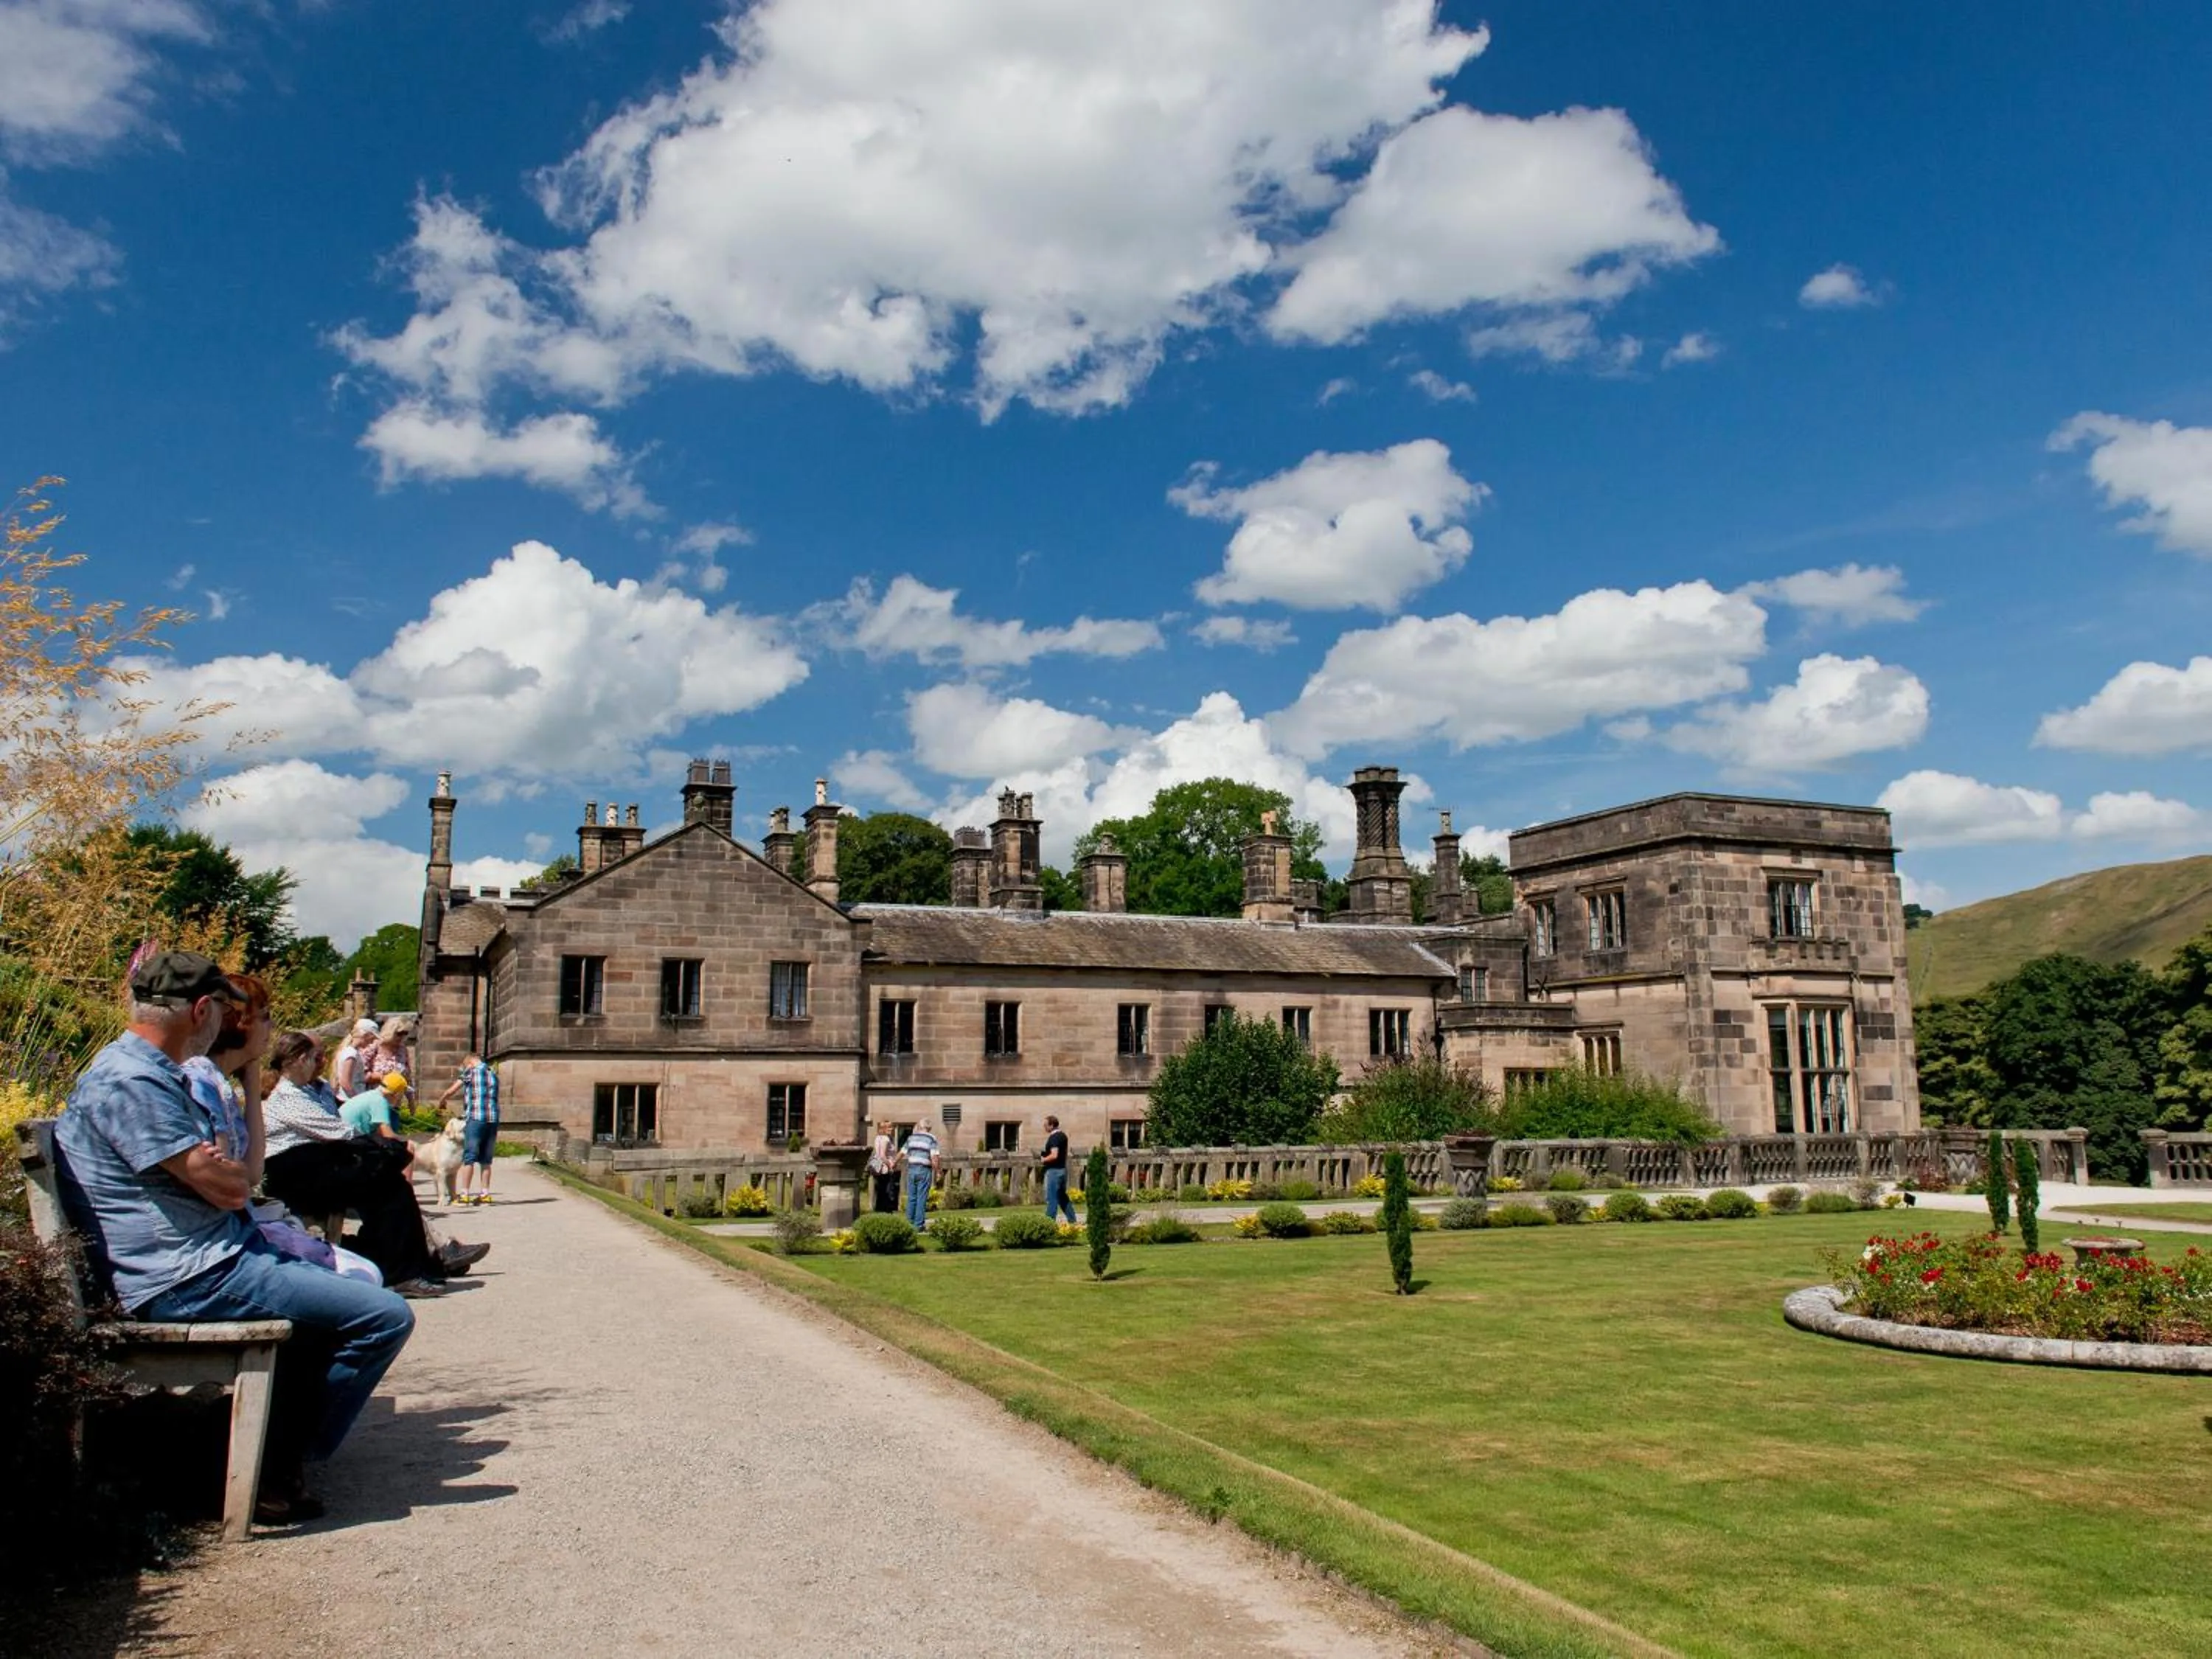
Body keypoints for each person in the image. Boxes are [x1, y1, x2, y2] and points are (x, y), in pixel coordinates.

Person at [54, 950, 415, 1524]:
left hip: (206, 1256)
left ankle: (267, 1461)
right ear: (201, 1010)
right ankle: (259, 1466)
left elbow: (236, 1178)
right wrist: (218, 1171)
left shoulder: (153, 1073)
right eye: (224, 1008)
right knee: (384, 1316)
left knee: (337, 1298)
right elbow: (230, 1188)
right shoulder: (134, 1081)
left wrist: (221, 1170)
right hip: (186, 1275)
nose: (231, 1021)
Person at [262, 1032, 485, 1293]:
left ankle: (410, 1266)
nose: (320, 1062)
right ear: (300, 1060)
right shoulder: (288, 1095)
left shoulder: (313, 1090)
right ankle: (405, 1269)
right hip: (295, 1174)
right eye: (315, 1057)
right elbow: (339, 1132)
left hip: (316, 1164)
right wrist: (389, 1149)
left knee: (391, 1184)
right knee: (384, 1177)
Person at [437, 1051, 500, 1205]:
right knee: (486, 1159)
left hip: (475, 1118)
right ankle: (485, 1194)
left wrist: (443, 1100)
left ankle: (464, 1194)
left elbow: (452, 1090)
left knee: (469, 1157)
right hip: (493, 1119)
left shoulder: (470, 1071)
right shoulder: (492, 1073)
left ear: (470, 1062)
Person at [341, 1071, 410, 1140]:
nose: (402, 1098)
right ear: (397, 1094)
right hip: (346, 1140)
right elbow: (387, 1135)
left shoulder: (373, 1095)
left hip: (341, 1135)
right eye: (402, 1094)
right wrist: (405, 1142)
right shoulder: (380, 1101)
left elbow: (380, 1132)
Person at [900, 1114, 940, 1230]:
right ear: (929, 1128)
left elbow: (902, 1152)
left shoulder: (911, 1138)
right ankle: (919, 1225)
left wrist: (894, 1163)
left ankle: (909, 1222)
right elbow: (934, 1157)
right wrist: (937, 1171)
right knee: (921, 1197)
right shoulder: (931, 1139)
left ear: (920, 1126)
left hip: (912, 1168)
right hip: (924, 1169)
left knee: (912, 1197)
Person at [1038, 1114, 1077, 1225]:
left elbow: (1054, 1155)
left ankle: (1049, 1224)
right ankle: (1073, 1221)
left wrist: (1044, 1159)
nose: (1044, 1127)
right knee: (1062, 1197)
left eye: (1046, 1125)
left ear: (1052, 1125)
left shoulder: (1054, 1138)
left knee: (1052, 1198)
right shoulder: (1063, 1136)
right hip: (1062, 1170)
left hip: (1054, 1171)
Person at [330, 1018, 377, 1099]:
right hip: (347, 1100)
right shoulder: (351, 1054)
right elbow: (345, 1082)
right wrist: (356, 1100)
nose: (372, 1042)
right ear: (365, 1035)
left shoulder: (351, 1051)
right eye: (372, 1039)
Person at [867, 1119, 899, 1214]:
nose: (892, 1129)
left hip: (879, 1167)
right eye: (889, 1127)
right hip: (885, 1167)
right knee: (887, 1190)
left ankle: (880, 1209)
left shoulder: (878, 1138)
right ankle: (886, 1210)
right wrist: (890, 1165)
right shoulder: (886, 1139)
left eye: (891, 1127)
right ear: (884, 1128)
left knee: (880, 1189)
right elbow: (882, 1155)